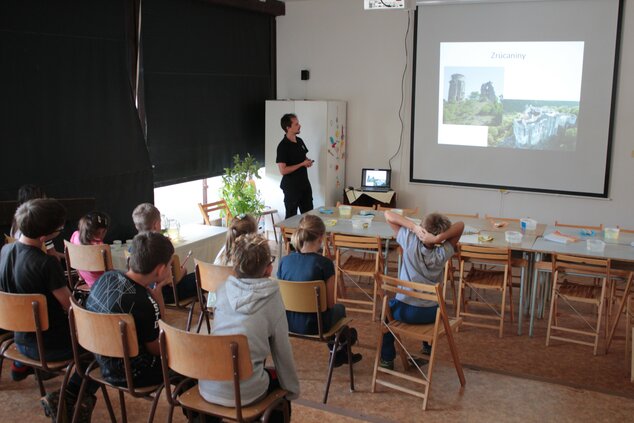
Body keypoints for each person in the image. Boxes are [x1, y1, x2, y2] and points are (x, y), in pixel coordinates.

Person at [0, 198, 97, 421]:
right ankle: (67, 397)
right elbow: (70, 307)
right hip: (49, 345)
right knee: (104, 348)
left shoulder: (5, 251)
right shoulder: (45, 263)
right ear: (45, 236)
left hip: (19, 341)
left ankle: (25, 367)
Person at [199, 233, 299, 421]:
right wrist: (292, 390)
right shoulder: (272, 298)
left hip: (208, 385)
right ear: (268, 269)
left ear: (235, 266)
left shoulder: (221, 291)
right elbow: (282, 351)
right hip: (245, 391)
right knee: (280, 388)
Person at [85, 231, 173, 388]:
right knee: (186, 367)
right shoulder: (145, 302)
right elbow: (157, 349)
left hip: (100, 357)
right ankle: (199, 412)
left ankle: (72, 394)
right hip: (132, 372)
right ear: (159, 270)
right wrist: (158, 303)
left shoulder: (107, 277)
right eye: (170, 265)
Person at [379, 211, 464, 370]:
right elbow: (461, 226)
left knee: (386, 312)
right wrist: (438, 239)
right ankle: (427, 349)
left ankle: (387, 358)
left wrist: (413, 227)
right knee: (433, 303)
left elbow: (388, 214)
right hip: (431, 314)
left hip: (403, 311)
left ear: (422, 228)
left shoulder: (409, 240)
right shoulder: (442, 253)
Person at [277, 214, 362, 366]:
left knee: (335, 315)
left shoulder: (284, 261)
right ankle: (342, 343)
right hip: (316, 326)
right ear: (321, 237)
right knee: (339, 308)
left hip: (287, 323)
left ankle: (341, 347)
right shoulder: (325, 264)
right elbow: (329, 304)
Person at [131, 203, 197, 304]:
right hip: (165, 293)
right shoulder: (162, 245)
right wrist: (182, 271)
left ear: (136, 225)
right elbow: (171, 280)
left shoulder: (133, 247)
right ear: (156, 224)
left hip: (144, 293)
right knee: (199, 278)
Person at [10, 184, 64, 261]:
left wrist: (67, 256)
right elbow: (55, 258)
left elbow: (48, 251)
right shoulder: (40, 230)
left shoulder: (15, 222)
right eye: (44, 199)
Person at [276, 113, 314, 218]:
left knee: (309, 216)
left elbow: (303, 158)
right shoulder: (282, 147)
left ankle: (307, 235)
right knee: (291, 217)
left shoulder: (300, 141)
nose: (299, 126)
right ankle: (288, 235)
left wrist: (307, 161)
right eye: (296, 124)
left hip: (304, 184)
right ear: (288, 128)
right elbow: (283, 170)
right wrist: (302, 164)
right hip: (291, 187)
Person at [70, 211, 110, 288]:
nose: (101, 235)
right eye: (98, 232)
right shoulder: (99, 247)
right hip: (103, 284)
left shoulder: (76, 235)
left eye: (103, 232)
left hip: (86, 279)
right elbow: (108, 269)